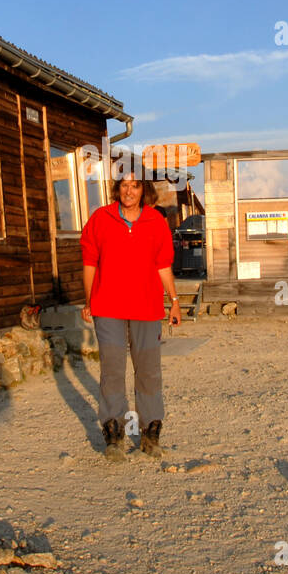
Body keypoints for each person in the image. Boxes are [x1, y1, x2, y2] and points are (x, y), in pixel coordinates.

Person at [79, 168, 181, 461]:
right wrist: (89, 300)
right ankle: (114, 435)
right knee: (112, 370)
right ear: (117, 189)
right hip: (108, 307)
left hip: (147, 308)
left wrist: (174, 301)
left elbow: (163, 265)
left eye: (135, 186)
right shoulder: (101, 219)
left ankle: (150, 433)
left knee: (148, 371)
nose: (129, 191)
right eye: (124, 185)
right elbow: (90, 263)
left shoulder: (156, 222)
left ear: (143, 190)